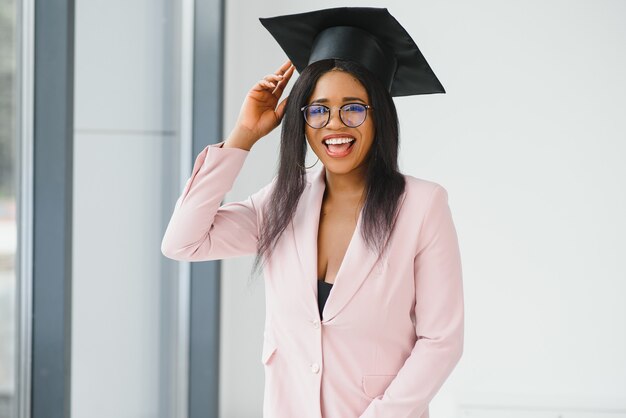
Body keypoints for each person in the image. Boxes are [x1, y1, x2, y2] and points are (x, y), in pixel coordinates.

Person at [162, 7, 463, 418]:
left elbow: (441, 340)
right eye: (318, 109)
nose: (334, 124)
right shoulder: (281, 203)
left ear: (380, 117)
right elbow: (182, 242)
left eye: (354, 108)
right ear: (301, 121)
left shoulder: (422, 205)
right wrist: (242, 137)